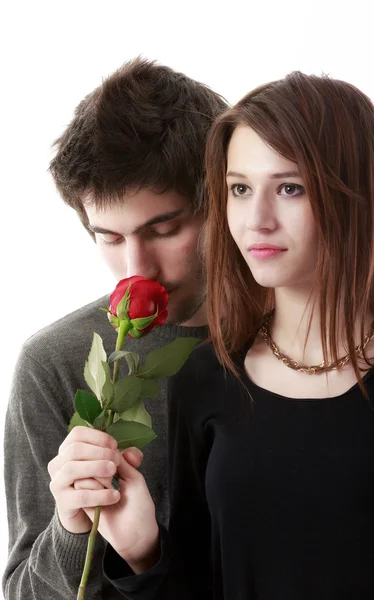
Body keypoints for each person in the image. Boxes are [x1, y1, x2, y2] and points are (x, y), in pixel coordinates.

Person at [94, 72, 374, 599]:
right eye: (239, 189)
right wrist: (143, 552)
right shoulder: (205, 377)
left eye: (289, 188)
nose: (256, 220)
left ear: (363, 195)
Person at [3, 57, 227, 600]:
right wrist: (72, 527)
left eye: (165, 228)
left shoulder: (301, 340)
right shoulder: (55, 362)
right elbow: (25, 593)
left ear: (223, 200)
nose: (137, 268)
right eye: (108, 236)